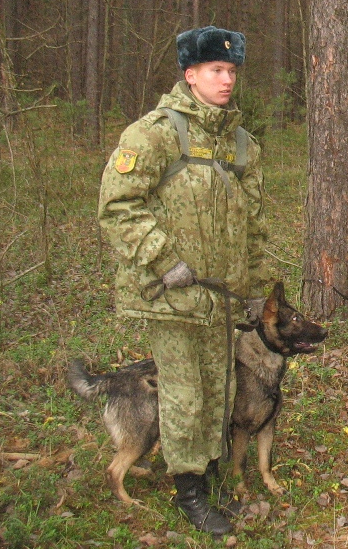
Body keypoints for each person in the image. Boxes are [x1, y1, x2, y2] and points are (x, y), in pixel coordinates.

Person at [99, 26, 271, 536]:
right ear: (189, 74)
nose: (226, 80)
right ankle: (189, 492)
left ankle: (212, 478)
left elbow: (254, 224)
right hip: (171, 295)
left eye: (232, 71)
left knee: (219, 390)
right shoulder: (153, 134)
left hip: (220, 297)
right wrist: (162, 260)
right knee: (184, 394)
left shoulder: (241, 144)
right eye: (216, 70)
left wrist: (256, 286)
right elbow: (117, 205)